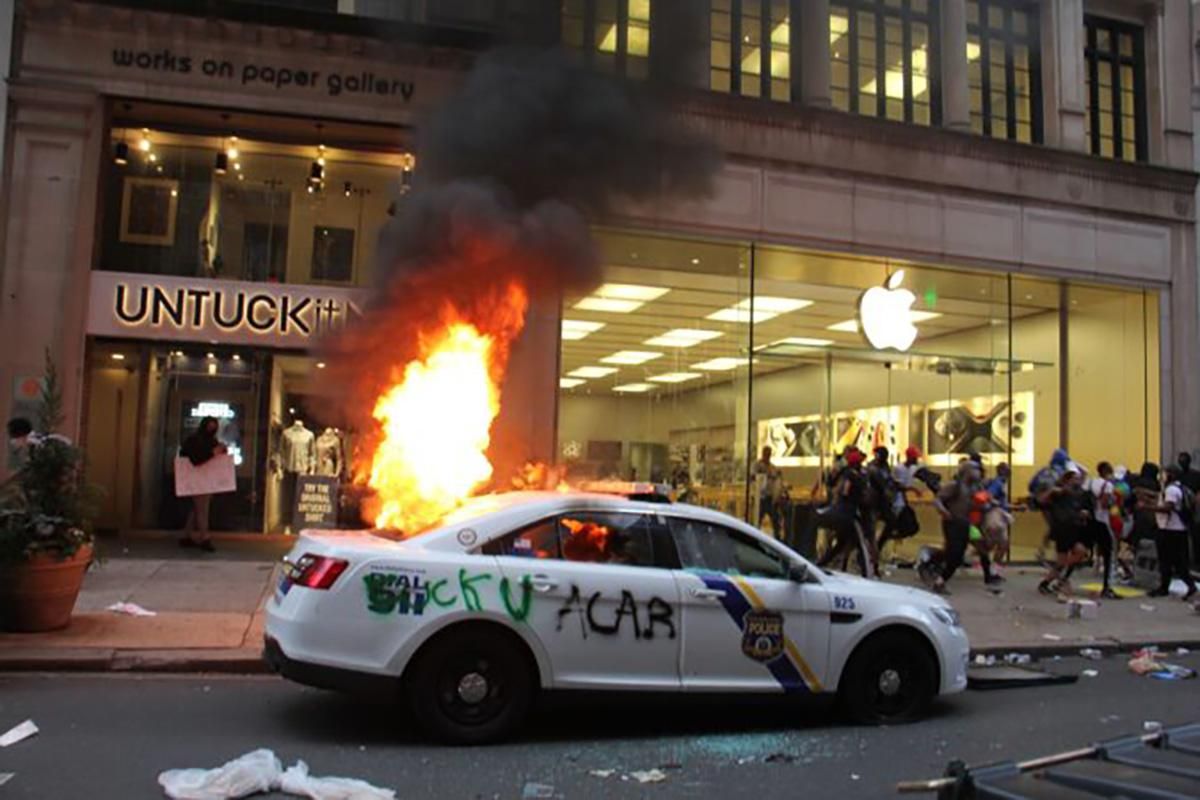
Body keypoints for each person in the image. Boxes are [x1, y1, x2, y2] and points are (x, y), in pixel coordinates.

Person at [921, 460, 988, 594]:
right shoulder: (955, 486)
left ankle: (932, 565)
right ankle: (938, 579)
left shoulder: (976, 487)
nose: (977, 472)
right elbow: (938, 499)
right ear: (966, 471)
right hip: (952, 522)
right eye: (974, 469)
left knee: (957, 555)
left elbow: (980, 504)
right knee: (954, 553)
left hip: (966, 523)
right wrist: (943, 511)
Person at [817, 448, 877, 578]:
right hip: (850, 514)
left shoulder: (846, 473)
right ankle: (867, 573)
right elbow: (850, 492)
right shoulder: (858, 476)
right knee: (861, 542)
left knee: (841, 544)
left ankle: (821, 564)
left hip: (839, 510)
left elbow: (839, 489)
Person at [1037, 464, 1089, 597]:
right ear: (1067, 480)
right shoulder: (1059, 493)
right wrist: (1053, 491)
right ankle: (1049, 582)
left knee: (1080, 553)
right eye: (1074, 479)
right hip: (1062, 530)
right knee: (1064, 560)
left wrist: (1083, 514)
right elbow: (1041, 501)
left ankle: (1054, 580)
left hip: (1074, 529)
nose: (1077, 481)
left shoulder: (1078, 494)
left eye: (1078, 479)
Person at [1149, 464, 1197, 599]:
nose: (1161, 476)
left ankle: (1176, 586)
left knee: (1168, 560)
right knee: (1175, 561)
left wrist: (1147, 507)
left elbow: (1167, 508)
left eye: (1164, 473)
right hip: (1178, 529)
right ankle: (1168, 586)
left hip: (1170, 530)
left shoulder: (1171, 490)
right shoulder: (1179, 488)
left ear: (1170, 474)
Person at [179, 416, 225, 552]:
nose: (212, 430)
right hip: (198, 480)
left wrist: (220, 450)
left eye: (214, 427)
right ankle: (204, 537)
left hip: (203, 480)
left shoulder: (208, 441)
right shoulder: (195, 441)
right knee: (202, 509)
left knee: (197, 508)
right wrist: (213, 452)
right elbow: (196, 459)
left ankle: (187, 535)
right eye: (210, 427)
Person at [1084, 462, 1120, 599]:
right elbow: (1105, 504)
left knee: (1084, 549)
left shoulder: (1091, 482)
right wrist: (1113, 501)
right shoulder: (1108, 486)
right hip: (1103, 522)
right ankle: (1107, 586)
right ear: (1106, 471)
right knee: (1108, 553)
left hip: (1091, 521)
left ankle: (1062, 578)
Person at [753, 446, 785, 538]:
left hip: (770, 498)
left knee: (775, 519)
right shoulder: (757, 465)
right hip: (761, 497)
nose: (767, 456)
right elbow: (754, 477)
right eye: (766, 453)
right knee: (757, 519)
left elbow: (777, 479)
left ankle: (777, 538)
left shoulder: (772, 467)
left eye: (769, 454)